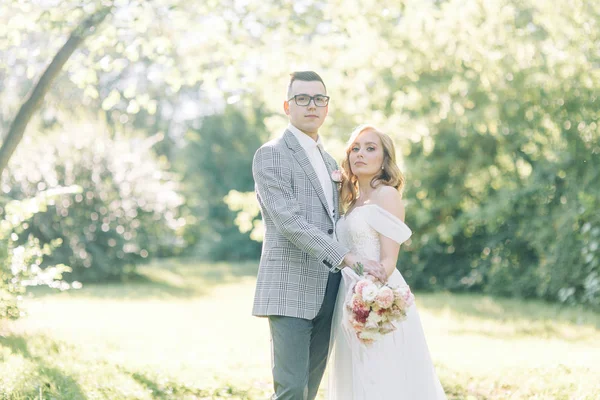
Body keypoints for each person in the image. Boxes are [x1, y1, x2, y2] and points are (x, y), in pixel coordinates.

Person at [252, 71, 386, 400]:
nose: (311, 105)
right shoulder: (271, 154)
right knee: (291, 390)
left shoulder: (329, 161)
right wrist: (345, 256)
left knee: (310, 390)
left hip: (330, 289)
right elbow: (288, 220)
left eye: (319, 99)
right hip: (289, 285)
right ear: (287, 106)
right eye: (302, 98)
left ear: (326, 107)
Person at [328, 124, 447, 399]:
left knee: (379, 371)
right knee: (355, 372)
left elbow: (388, 260)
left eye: (370, 148)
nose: (360, 154)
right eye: (355, 148)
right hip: (347, 295)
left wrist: (367, 300)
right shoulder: (353, 202)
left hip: (376, 295)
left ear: (384, 160)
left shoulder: (387, 195)